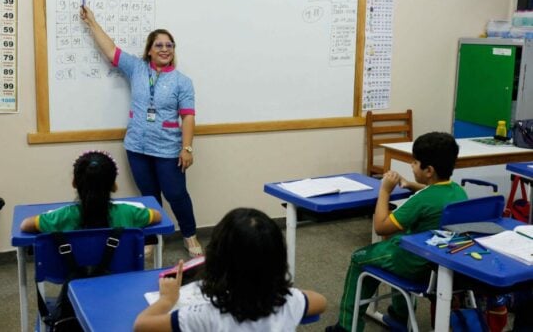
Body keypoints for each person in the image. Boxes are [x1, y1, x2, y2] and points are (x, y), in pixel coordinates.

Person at [80, 6, 202, 257]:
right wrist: (91, 21)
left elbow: (188, 117)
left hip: (168, 148)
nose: (165, 49)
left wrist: (187, 148)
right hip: (137, 147)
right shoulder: (136, 68)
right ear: (149, 50)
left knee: (176, 195)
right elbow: (110, 49)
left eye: (169, 45)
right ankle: (152, 237)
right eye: (159, 45)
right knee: (148, 197)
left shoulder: (182, 81)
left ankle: (190, 236)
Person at [326, 131, 468, 332]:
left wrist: (384, 190)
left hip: (416, 263)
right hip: (442, 264)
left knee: (360, 258)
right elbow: (434, 194)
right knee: (397, 241)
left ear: (429, 170)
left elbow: (381, 226)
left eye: (415, 162)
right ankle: (401, 314)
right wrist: (412, 185)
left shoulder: (421, 200)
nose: (411, 165)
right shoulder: (458, 191)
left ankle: (347, 326)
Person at [133, 207, 327, 331]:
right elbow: (321, 302)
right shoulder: (288, 302)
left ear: (216, 260)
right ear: (277, 260)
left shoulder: (203, 315)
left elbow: (142, 325)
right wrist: (275, 289)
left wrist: (167, 299)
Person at [20, 150, 162, 232]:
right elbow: (157, 216)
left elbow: (25, 225)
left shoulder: (63, 216)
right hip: (122, 279)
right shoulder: (128, 212)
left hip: (76, 281)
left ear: (74, 183)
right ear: (114, 185)